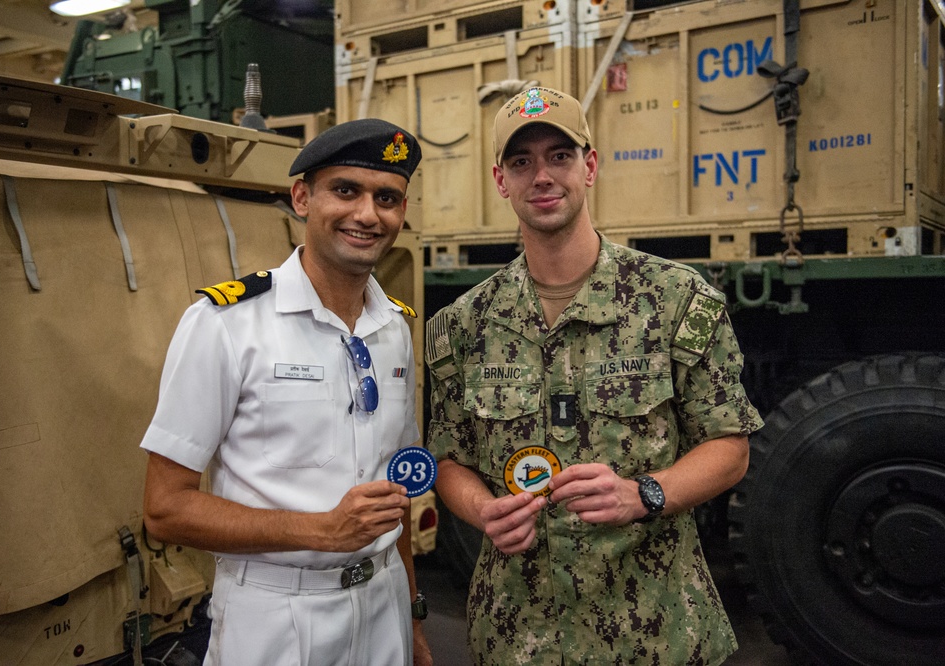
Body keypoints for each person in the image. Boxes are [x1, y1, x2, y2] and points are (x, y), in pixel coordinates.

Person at [424, 86, 765, 665]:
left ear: (591, 165)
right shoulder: (463, 325)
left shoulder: (675, 300)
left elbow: (729, 446)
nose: (543, 177)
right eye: (521, 161)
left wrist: (642, 494)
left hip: (654, 632)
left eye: (560, 156)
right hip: (517, 635)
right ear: (501, 180)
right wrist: (482, 510)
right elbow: (449, 459)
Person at [141, 118, 433, 666]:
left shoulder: (394, 329)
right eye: (346, 190)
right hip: (276, 617)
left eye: (387, 198)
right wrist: (321, 530)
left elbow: (393, 496)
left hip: (383, 606)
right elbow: (164, 508)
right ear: (302, 197)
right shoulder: (225, 324)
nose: (368, 214)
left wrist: (412, 619)